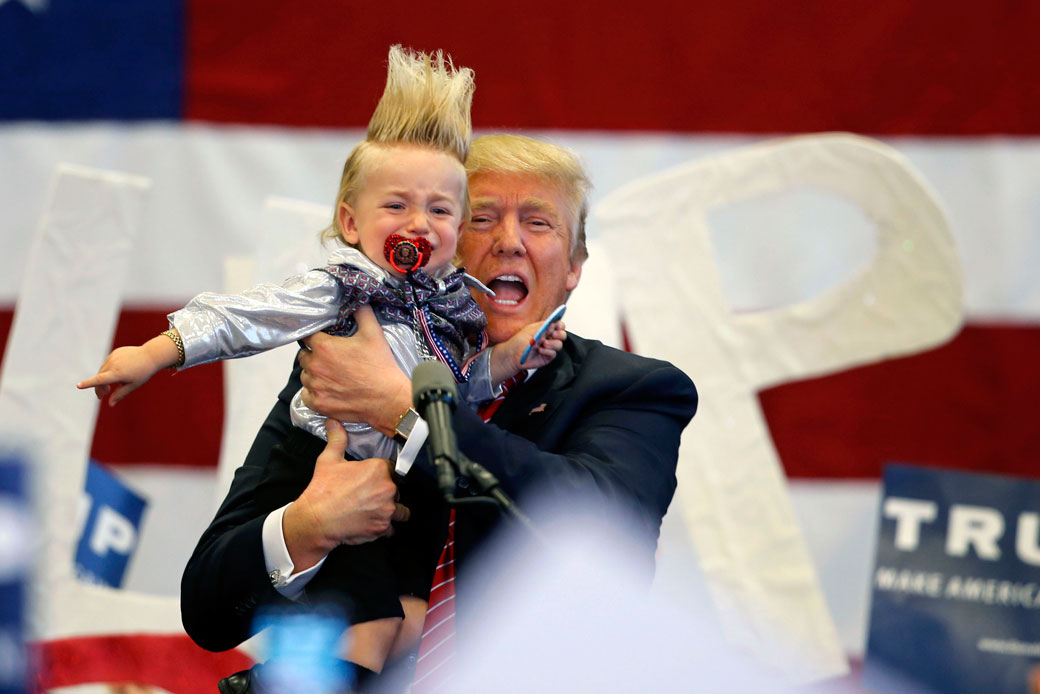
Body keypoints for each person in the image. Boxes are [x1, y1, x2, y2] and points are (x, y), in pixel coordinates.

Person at [78, 47, 564, 675]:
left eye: (441, 211)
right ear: (350, 222)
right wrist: (157, 350)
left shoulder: (456, 310)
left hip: (402, 510)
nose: (419, 222)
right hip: (319, 467)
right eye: (396, 206)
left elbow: (454, 391)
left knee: (416, 618)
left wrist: (507, 360)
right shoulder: (341, 287)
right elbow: (249, 316)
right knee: (375, 623)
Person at [181, 133, 697, 686]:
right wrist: (307, 527)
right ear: (441, 245)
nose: (509, 241)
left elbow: (603, 532)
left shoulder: (633, 389)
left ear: (574, 266)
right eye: (481, 218)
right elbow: (209, 611)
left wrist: (403, 410)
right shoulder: (346, 368)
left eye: (539, 223)